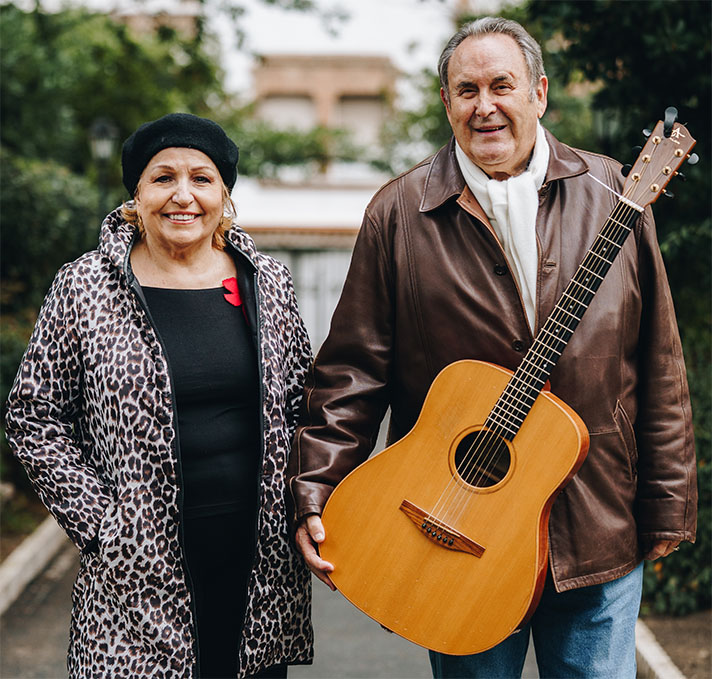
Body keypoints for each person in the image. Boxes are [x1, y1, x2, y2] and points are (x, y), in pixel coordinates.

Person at [286, 17, 697, 679]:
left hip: (596, 515)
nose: (486, 106)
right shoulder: (398, 213)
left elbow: (659, 361)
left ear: (538, 92)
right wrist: (315, 490)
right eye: (467, 89)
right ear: (446, 103)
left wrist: (669, 497)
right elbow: (351, 372)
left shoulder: (615, 193)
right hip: (453, 539)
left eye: (501, 85)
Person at [6, 113, 314, 678]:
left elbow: (302, 406)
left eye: (201, 178)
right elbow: (34, 417)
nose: (183, 195)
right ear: (137, 196)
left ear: (224, 194)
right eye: (162, 178)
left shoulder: (266, 281)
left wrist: (309, 503)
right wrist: (104, 526)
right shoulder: (85, 285)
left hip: (259, 564)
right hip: (135, 572)